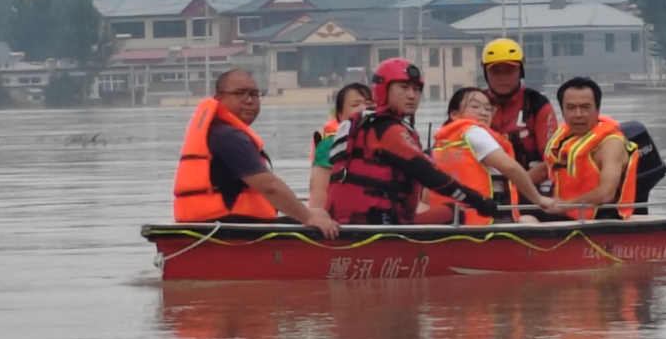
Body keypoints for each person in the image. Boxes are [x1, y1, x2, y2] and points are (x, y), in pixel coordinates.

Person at [325, 58, 498, 225]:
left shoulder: (367, 125)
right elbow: (429, 174)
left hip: (356, 220)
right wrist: (478, 200)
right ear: (383, 90)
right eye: (404, 87)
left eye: (416, 89)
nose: (412, 95)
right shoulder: (387, 130)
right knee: (453, 213)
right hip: (377, 223)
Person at [173, 69, 339, 238]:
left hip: (214, 225)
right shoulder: (229, 137)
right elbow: (269, 187)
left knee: (318, 212)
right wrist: (309, 217)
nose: (249, 100)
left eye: (254, 94)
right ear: (219, 98)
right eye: (239, 93)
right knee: (319, 215)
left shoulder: (218, 131)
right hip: (227, 229)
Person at [426, 87, 557, 224]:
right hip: (484, 215)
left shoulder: (440, 143)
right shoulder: (474, 132)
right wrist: (538, 199)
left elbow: (426, 193)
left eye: (488, 109)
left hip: (451, 219)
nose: (484, 112)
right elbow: (510, 168)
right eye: (475, 106)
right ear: (454, 115)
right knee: (530, 221)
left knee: (528, 218)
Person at [538, 77, 638, 220]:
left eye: (585, 107)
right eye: (571, 108)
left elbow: (606, 193)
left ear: (597, 110)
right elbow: (546, 169)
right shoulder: (565, 139)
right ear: (563, 111)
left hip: (600, 219)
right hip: (565, 213)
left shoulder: (611, 143)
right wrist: (512, 184)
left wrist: (567, 205)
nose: (578, 114)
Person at [481, 38, 558, 172]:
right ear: (485, 74)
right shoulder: (472, 103)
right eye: (496, 71)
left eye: (510, 70)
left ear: (521, 72)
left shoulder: (537, 104)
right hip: (482, 184)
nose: (503, 77)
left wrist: (523, 184)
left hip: (531, 182)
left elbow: (552, 157)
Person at [308, 83, 373, 208]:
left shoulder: (392, 141)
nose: (363, 108)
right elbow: (319, 191)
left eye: (369, 103)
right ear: (340, 115)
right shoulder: (329, 146)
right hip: (345, 220)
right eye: (355, 105)